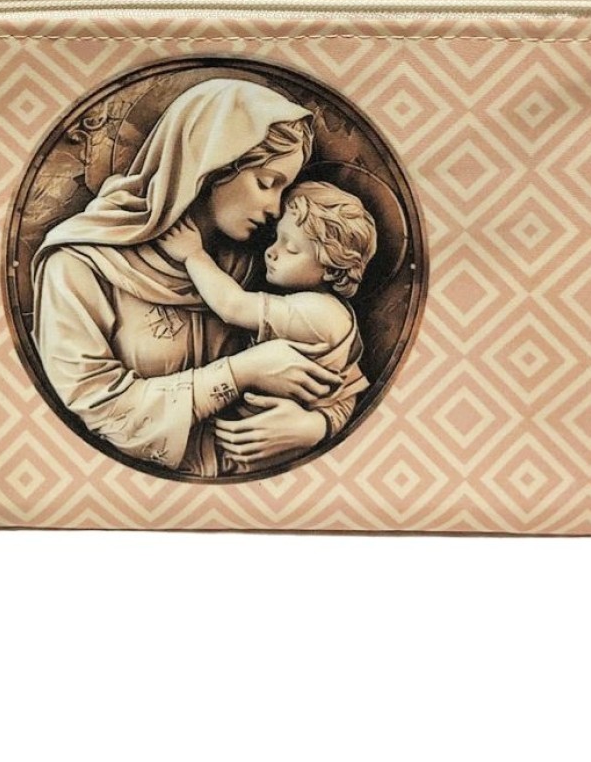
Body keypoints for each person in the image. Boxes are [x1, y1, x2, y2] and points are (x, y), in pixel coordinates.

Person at [31, 78, 343, 478]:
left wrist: (318, 426)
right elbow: (96, 409)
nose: (274, 208)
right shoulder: (78, 265)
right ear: (209, 164)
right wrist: (238, 373)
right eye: (266, 183)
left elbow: (334, 356)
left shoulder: (254, 266)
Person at [158, 180, 377, 473]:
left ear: (331, 268)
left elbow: (232, 306)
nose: (272, 252)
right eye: (277, 238)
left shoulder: (319, 313)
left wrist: (193, 255)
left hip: (260, 446)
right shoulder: (329, 311)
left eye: (292, 249)